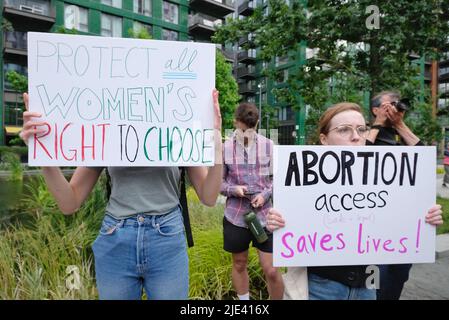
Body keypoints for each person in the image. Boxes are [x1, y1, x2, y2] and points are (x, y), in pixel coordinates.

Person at [19, 90, 223, 300]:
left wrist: (217, 143)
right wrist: (41, 151)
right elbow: (69, 202)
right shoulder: (105, 127)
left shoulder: (179, 123)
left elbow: (208, 197)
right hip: (115, 239)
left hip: (167, 239)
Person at [266, 102, 444, 300]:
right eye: (344, 130)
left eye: (361, 129)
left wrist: (425, 217)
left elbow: (418, 169)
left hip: (368, 282)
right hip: (321, 286)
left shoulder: (380, 173)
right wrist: (278, 222)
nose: (356, 136)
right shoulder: (304, 179)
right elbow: (290, 229)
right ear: (324, 139)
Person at [220, 102, 284, 300]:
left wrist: (265, 195)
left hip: (265, 216)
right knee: (239, 263)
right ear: (235, 123)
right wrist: (233, 190)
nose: (246, 135)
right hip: (235, 216)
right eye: (242, 130)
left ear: (257, 124)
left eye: (251, 130)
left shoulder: (269, 146)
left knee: (272, 270)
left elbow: (279, 179)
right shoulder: (224, 148)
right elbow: (218, 183)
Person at [367, 90, 427, 300]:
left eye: (397, 104)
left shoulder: (400, 137)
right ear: (376, 110)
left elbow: (423, 159)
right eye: (389, 104)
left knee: (397, 278)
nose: (395, 107)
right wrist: (378, 123)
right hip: (371, 234)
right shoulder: (366, 133)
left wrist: (400, 125)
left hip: (400, 232)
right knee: (373, 284)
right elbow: (357, 158)